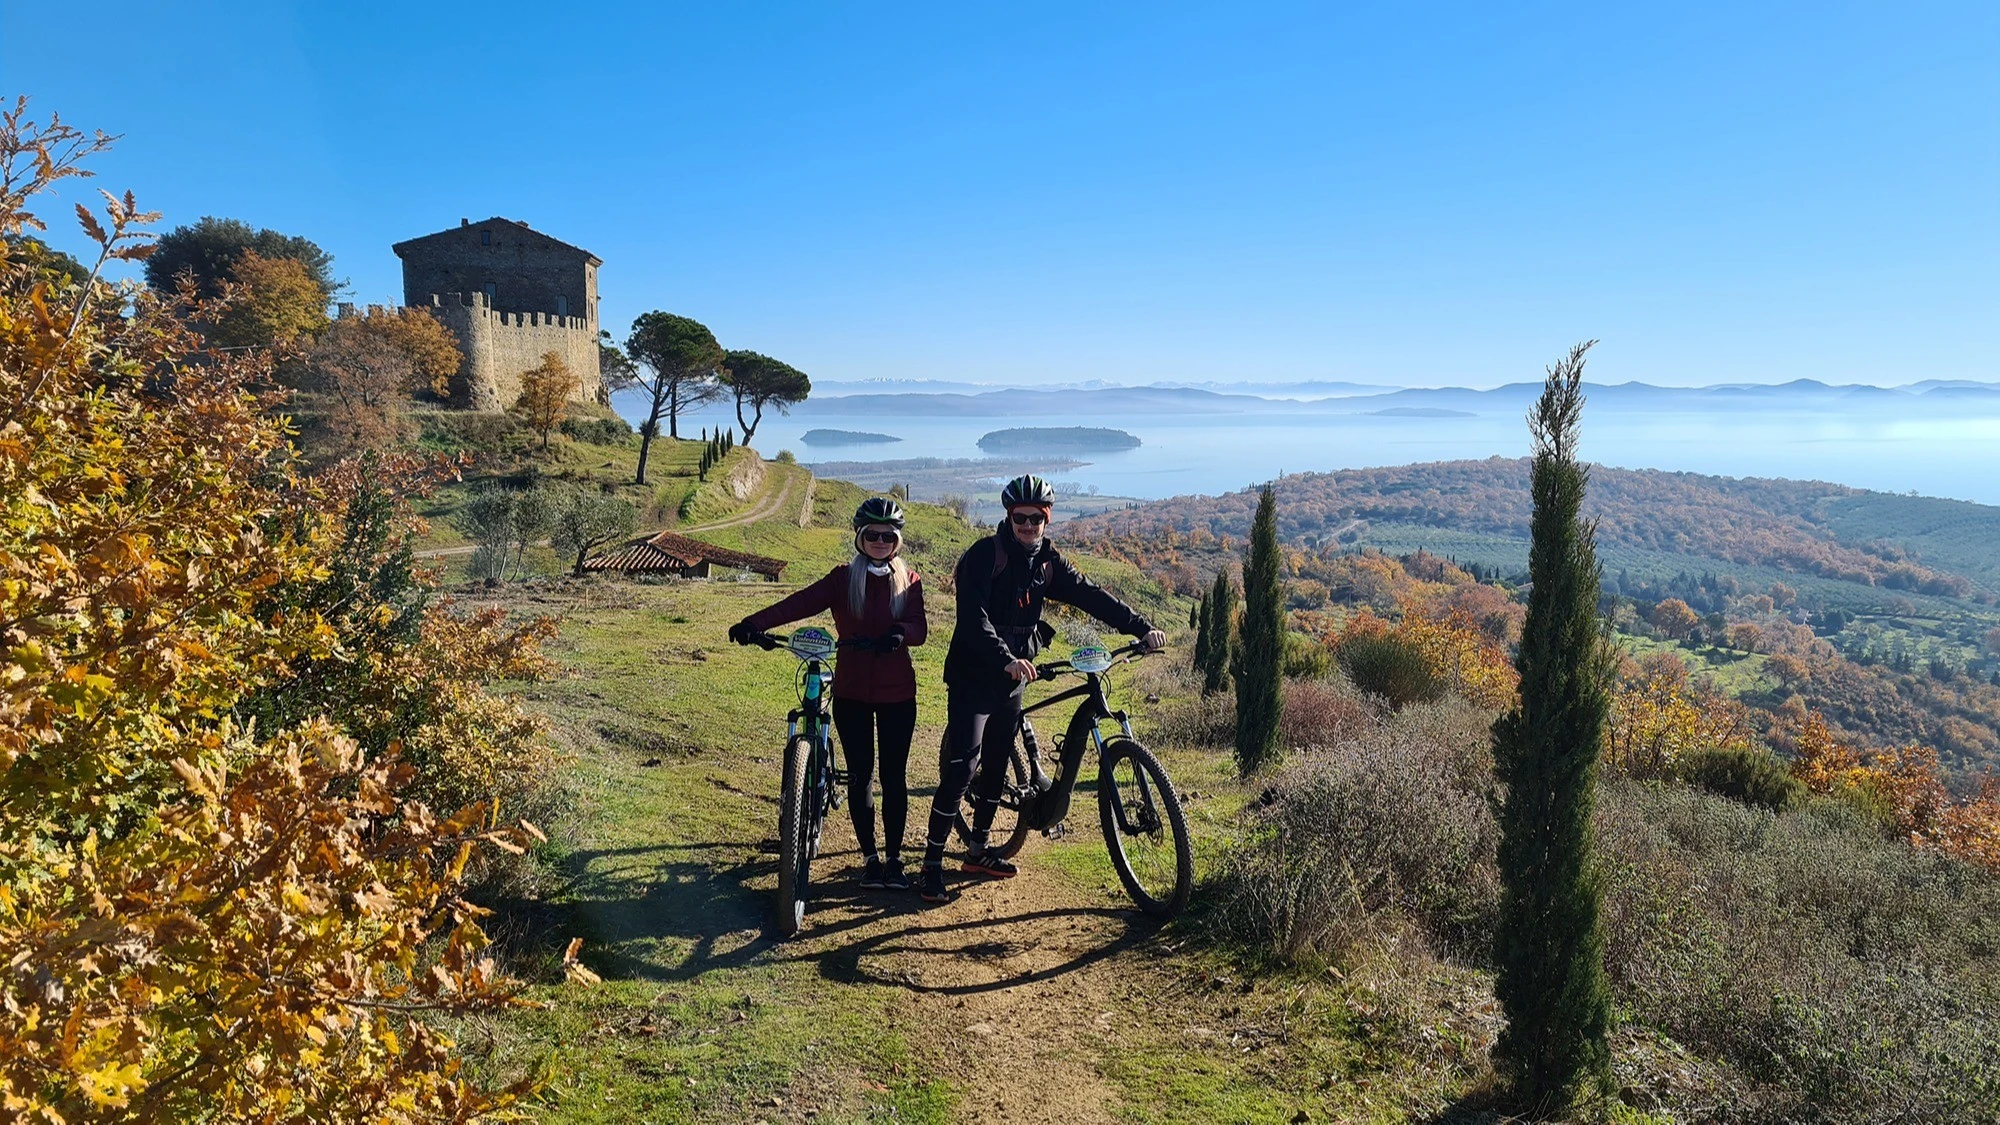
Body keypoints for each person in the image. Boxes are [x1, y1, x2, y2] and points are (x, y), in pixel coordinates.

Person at [918, 474, 1166, 903]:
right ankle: (931, 864)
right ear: (1009, 516)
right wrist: (1005, 659)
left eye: (1037, 517)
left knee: (995, 766)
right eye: (1021, 517)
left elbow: (1092, 596)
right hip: (975, 674)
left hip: (1015, 676)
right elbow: (972, 618)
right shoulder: (985, 555)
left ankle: (977, 852)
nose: (1029, 525)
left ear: (1047, 519)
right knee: (963, 768)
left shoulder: (1048, 562)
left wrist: (1141, 628)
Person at [730, 497, 927, 890]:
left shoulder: (910, 580)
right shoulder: (842, 579)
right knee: (860, 777)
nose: (880, 541)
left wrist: (900, 633)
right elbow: (800, 603)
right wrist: (754, 623)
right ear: (860, 537)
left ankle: (894, 860)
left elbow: (920, 628)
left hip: (897, 695)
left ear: (897, 539)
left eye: (888, 535)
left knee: (893, 777)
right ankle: (870, 858)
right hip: (852, 691)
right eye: (872, 535)